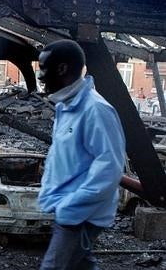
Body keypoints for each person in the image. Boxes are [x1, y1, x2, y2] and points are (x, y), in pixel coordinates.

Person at [37, 40, 126, 270]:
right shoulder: (65, 107)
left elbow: (110, 168)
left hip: (81, 215)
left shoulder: (96, 110)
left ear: (62, 69)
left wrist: (71, 205)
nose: (40, 76)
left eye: (43, 68)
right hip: (67, 209)